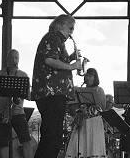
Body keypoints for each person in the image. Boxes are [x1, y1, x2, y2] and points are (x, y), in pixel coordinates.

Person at [31, 14, 81, 158]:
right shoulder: (53, 38)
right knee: (52, 138)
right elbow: (49, 60)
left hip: (51, 94)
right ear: (60, 25)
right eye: (70, 28)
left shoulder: (55, 39)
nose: (72, 31)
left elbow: (53, 59)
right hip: (51, 94)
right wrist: (72, 66)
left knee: (50, 137)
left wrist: (69, 57)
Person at [0, 49, 34, 158]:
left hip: (17, 112)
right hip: (0, 114)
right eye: (12, 58)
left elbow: (29, 96)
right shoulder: (0, 74)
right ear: (7, 60)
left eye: (16, 58)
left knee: (26, 141)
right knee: (3, 144)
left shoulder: (23, 75)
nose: (14, 60)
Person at [65, 67, 107, 158]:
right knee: (79, 147)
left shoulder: (99, 90)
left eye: (91, 75)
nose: (88, 77)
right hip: (81, 121)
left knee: (93, 147)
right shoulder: (80, 90)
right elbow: (74, 109)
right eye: (87, 75)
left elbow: (103, 107)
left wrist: (94, 102)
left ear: (95, 78)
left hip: (94, 122)